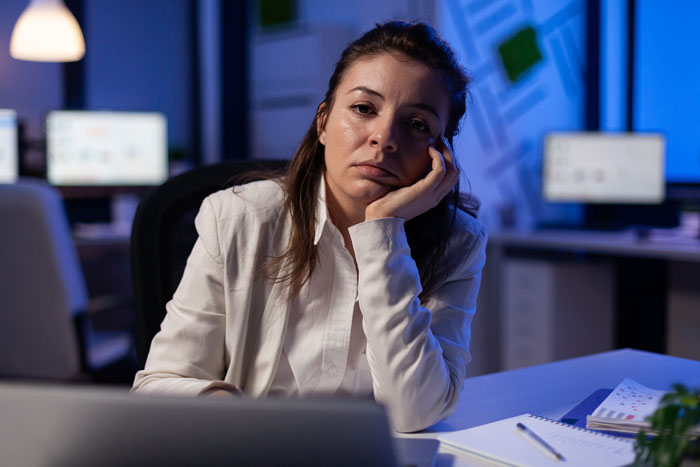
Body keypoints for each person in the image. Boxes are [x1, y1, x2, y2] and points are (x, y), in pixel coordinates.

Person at [132, 20, 487, 433]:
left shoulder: (457, 241)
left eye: (417, 125)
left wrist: (384, 232)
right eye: (363, 108)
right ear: (323, 123)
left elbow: (414, 412)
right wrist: (224, 406)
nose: (384, 137)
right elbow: (156, 385)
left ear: (439, 155)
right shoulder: (237, 218)